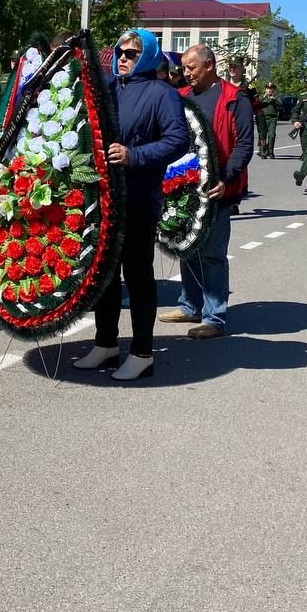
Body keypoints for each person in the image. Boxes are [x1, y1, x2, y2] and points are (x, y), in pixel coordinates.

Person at [74, 28, 188, 381]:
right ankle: (106, 343)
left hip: (138, 198)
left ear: (150, 57)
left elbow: (178, 139)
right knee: (104, 276)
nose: (123, 58)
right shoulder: (109, 89)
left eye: (132, 53)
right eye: (121, 52)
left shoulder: (161, 94)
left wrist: (134, 155)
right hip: (104, 199)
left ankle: (142, 352)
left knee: (137, 276)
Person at [158, 44, 254, 339]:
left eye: (191, 68)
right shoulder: (182, 97)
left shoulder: (233, 99)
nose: (186, 73)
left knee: (212, 255)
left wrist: (225, 178)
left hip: (218, 190)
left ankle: (214, 318)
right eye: (184, 68)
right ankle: (190, 306)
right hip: (185, 190)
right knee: (187, 248)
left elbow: (244, 145)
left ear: (209, 65)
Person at [256, 82, 280, 159]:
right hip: (262, 118)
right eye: (268, 89)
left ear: (274, 90)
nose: (270, 90)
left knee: (272, 135)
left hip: (272, 118)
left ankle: (270, 151)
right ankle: (263, 152)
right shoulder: (262, 98)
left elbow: (280, 105)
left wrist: (274, 99)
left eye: (271, 89)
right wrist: (263, 97)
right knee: (262, 136)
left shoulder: (276, 98)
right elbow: (257, 104)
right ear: (265, 90)